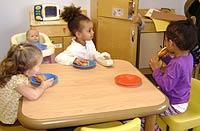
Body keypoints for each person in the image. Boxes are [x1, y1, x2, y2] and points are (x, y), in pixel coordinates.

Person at [149, 18, 198, 130]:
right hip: (182, 100)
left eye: (166, 40)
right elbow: (177, 69)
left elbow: (166, 86)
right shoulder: (188, 56)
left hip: (174, 105)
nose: (165, 43)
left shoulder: (177, 63)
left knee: (147, 112)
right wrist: (165, 57)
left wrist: (156, 69)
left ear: (171, 43)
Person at [0, 43, 54, 124]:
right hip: (10, 118)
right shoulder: (17, 80)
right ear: (26, 68)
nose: (39, 69)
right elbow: (33, 95)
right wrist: (43, 86)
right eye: (38, 66)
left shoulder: (13, 70)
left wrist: (34, 73)